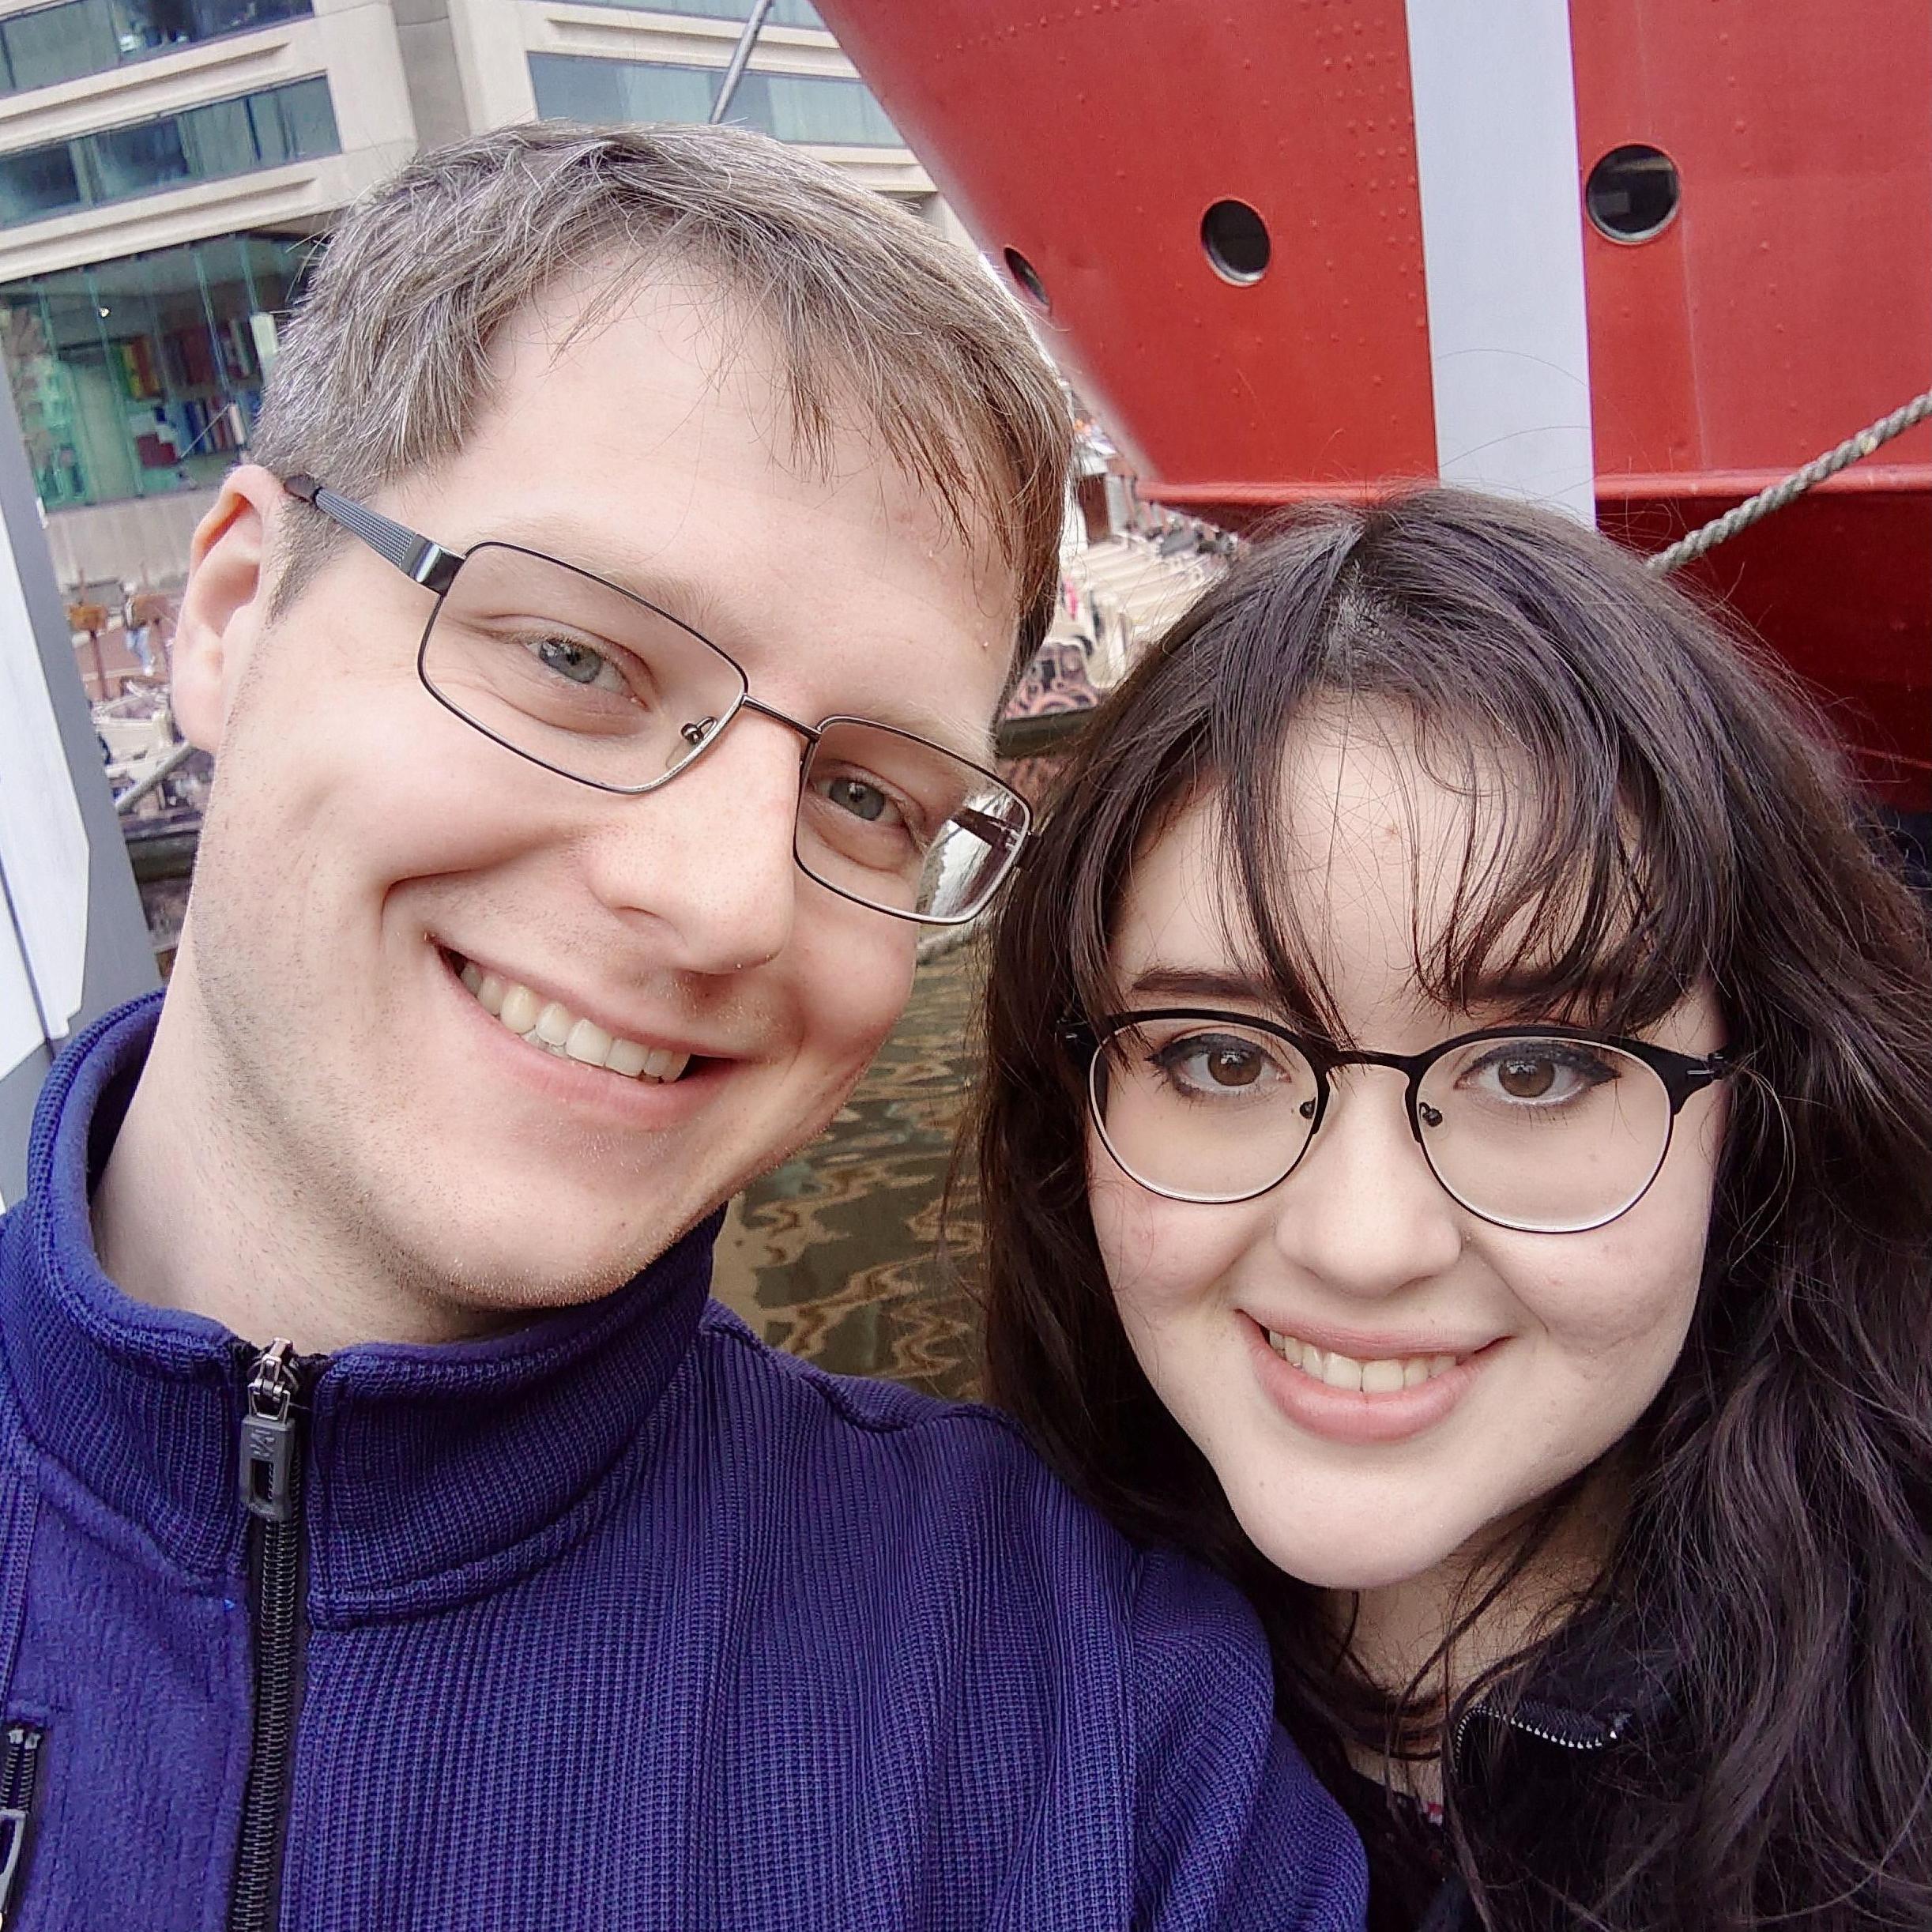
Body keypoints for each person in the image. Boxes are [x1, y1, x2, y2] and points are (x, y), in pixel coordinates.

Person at [0, 125, 1366, 1929]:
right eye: (575, 658)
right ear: (236, 614)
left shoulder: (1103, 1733)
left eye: (868, 795)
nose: (725, 902)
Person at [972, 490, 1932, 1930]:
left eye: (1535, 1068)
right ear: (1073, 1109)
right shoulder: (927, 1682)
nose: (1360, 1243)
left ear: (1762, 1114)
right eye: (1219, 1058)